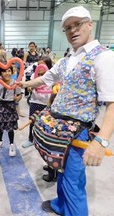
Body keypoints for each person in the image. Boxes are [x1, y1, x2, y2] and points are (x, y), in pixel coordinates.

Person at [18, 6, 114, 215]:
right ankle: (60, 205)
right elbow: (45, 79)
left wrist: (101, 141)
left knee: (73, 182)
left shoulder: (103, 57)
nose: (72, 30)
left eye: (77, 24)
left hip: (76, 130)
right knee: (60, 171)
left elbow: (113, 104)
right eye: (68, 28)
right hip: (57, 128)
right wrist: (23, 85)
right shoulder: (68, 59)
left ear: (90, 24)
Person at [22, 56, 53, 148]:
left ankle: (44, 140)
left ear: (48, 66)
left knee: (46, 123)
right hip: (34, 102)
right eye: (38, 64)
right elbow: (29, 86)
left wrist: (51, 101)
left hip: (47, 104)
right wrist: (30, 88)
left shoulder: (52, 77)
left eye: (42, 65)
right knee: (32, 121)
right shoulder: (33, 75)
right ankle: (30, 139)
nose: (39, 67)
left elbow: (55, 90)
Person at [0, 66, 22, 156]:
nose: (7, 73)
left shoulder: (15, 83)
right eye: (4, 71)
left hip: (10, 106)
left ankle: (11, 144)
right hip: (0, 105)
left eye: (9, 71)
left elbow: (19, 95)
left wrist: (17, 98)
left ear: (12, 72)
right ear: (0, 73)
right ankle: (0, 141)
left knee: (10, 128)